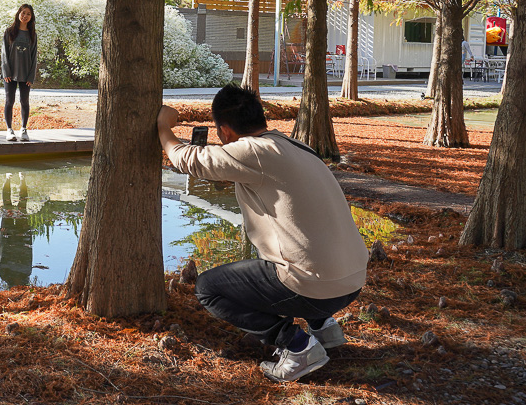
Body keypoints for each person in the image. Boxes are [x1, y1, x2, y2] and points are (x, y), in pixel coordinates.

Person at [157, 85, 368, 383]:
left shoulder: (252, 151)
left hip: (313, 287)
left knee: (208, 288)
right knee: (289, 249)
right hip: (352, 281)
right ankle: (325, 330)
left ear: (225, 131)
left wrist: (163, 126)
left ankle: (297, 346)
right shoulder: (294, 147)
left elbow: (185, 159)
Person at [1, 3, 37, 142]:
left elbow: (34, 56)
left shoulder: (33, 35)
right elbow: (4, 52)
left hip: (26, 74)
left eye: (28, 14)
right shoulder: (9, 31)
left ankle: (23, 129)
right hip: (10, 74)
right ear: (18, 14)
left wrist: (31, 76)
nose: (25, 16)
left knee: (24, 101)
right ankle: (9, 129)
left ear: (31, 17)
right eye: (23, 13)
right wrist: (6, 72)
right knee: (9, 101)